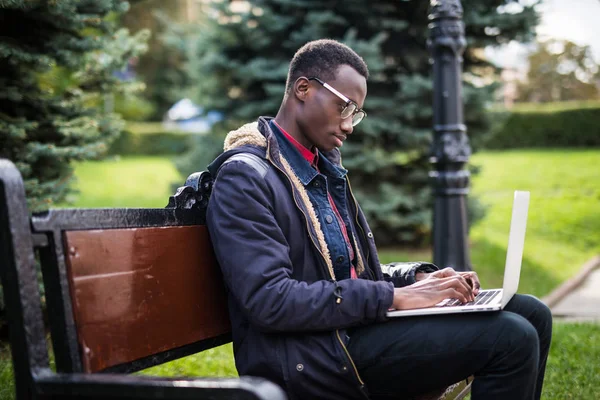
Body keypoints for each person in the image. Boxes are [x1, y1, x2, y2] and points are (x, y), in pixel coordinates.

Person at [205, 39, 552, 400]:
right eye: (345, 107)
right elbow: (270, 300)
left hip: (348, 332)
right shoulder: (247, 177)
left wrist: (415, 280)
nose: (349, 125)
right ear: (303, 88)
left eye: (355, 113)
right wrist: (393, 297)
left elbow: (344, 272)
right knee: (512, 337)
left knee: (531, 313)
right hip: (313, 358)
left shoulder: (322, 168)